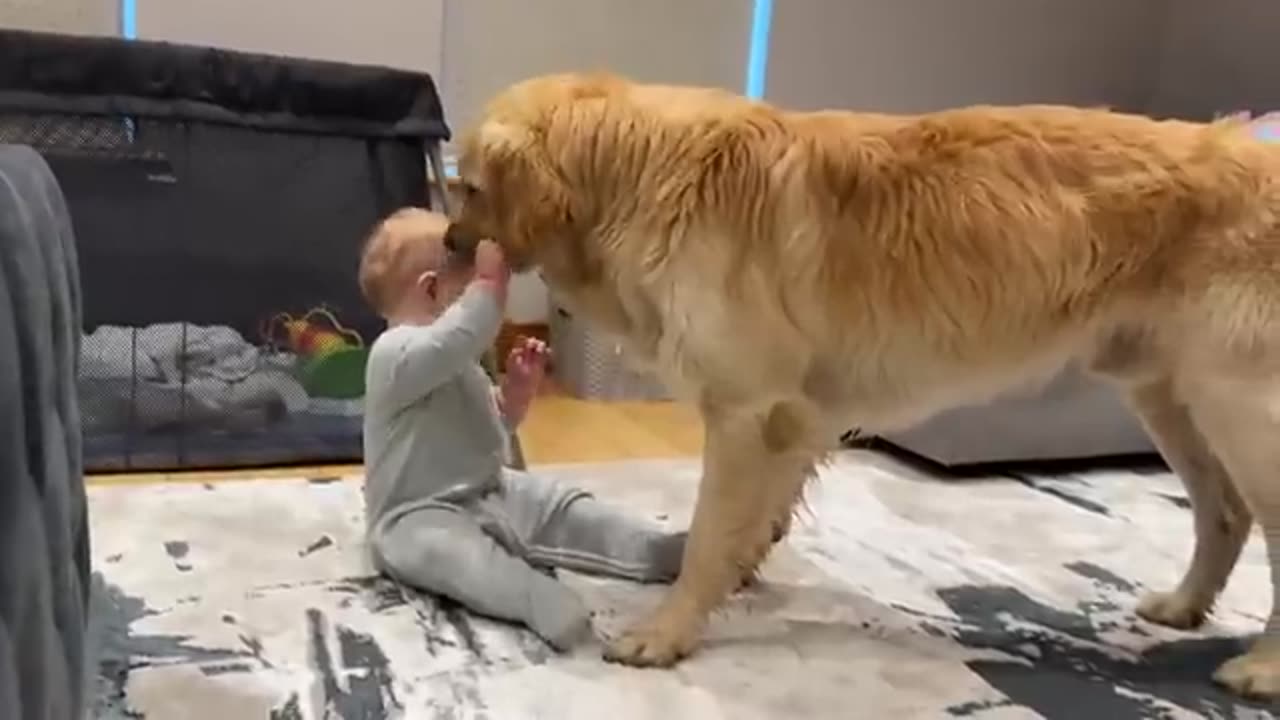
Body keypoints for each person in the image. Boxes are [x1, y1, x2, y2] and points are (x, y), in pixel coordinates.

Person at [357, 207, 686, 649]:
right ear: (432, 290)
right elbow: (462, 334)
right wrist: (490, 284)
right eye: (465, 287)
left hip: (490, 488)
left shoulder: (457, 362)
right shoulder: (393, 355)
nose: (478, 300)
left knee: (566, 506)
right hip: (417, 513)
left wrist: (514, 396)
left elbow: (491, 427)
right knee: (463, 561)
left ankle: (660, 552)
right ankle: (537, 599)